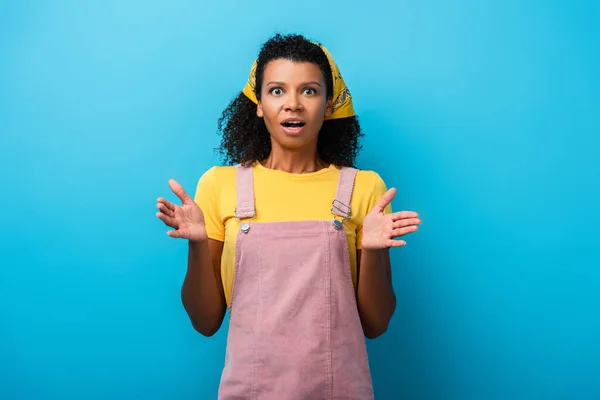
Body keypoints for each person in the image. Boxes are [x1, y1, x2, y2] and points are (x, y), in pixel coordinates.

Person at [156, 33, 421, 400]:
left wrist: (372, 250)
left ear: (328, 105)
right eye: (277, 91)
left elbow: (376, 325)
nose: (293, 104)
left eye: (309, 91)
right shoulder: (219, 186)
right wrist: (199, 245)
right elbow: (205, 322)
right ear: (259, 104)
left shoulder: (365, 188)